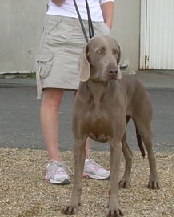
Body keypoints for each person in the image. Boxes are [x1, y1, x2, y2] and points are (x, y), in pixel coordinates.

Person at [36, 0, 114, 184]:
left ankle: (84, 160)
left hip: (95, 27)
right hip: (62, 26)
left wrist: (106, 27)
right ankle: (54, 163)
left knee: (86, 97)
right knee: (53, 95)